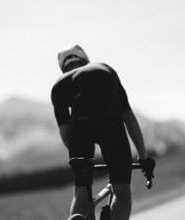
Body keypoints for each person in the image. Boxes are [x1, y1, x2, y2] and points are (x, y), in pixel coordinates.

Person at [51, 44, 155, 220]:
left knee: (81, 192)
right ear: (85, 59)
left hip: (80, 128)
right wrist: (144, 157)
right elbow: (128, 116)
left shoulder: (59, 85)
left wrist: (80, 160)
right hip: (110, 123)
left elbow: (65, 132)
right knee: (121, 191)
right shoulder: (104, 68)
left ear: (63, 67)